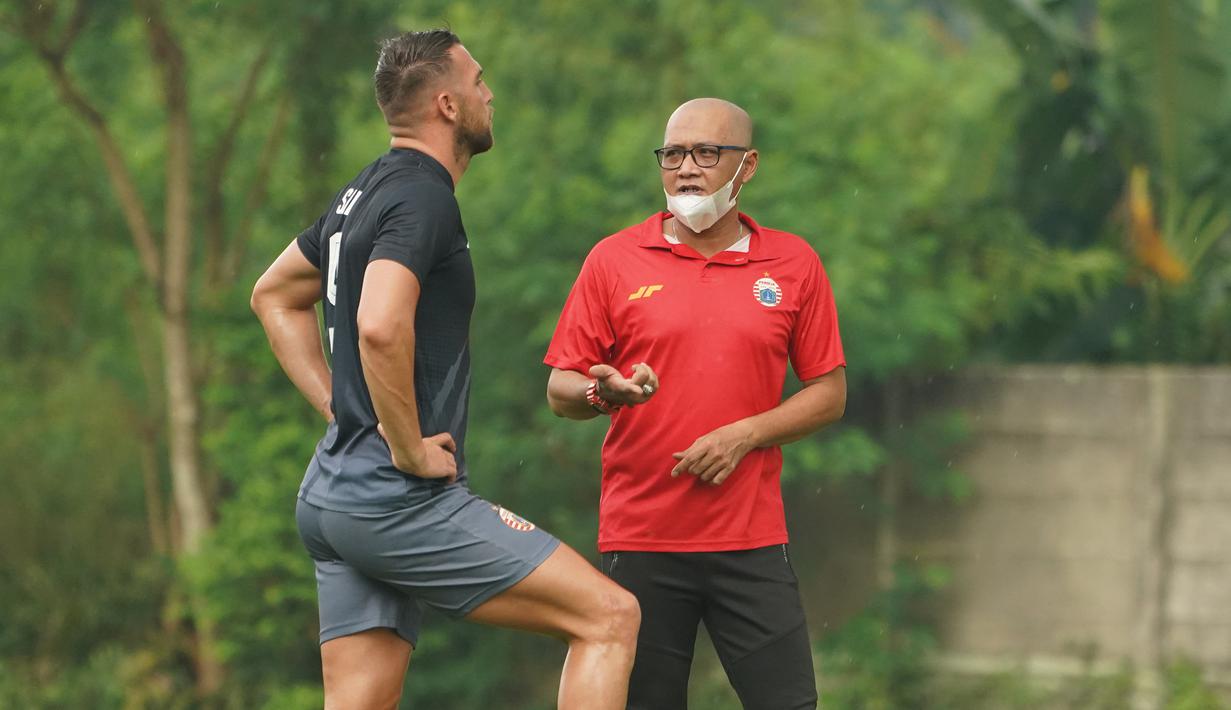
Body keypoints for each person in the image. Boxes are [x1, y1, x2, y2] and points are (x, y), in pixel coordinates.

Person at [251, 30, 638, 710]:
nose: (489, 93)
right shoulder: (423, 197)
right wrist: (403, 446)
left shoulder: (363, 191)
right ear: (447, 105)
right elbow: (378, 323)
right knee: (608, 618)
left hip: (333, 498)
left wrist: (344, 413)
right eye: (478, 80)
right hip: (393, 499)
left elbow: (274, 294)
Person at [544, 98, 846, 709]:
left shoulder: (794, 263)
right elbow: (561, 391)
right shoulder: (613, 259)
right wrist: (605, 391)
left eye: (707, 153)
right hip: (643, 539)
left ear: (747, 165)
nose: (686, 168)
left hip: (751, 541)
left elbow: (829, 396)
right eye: (673, 154)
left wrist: (744, 435)